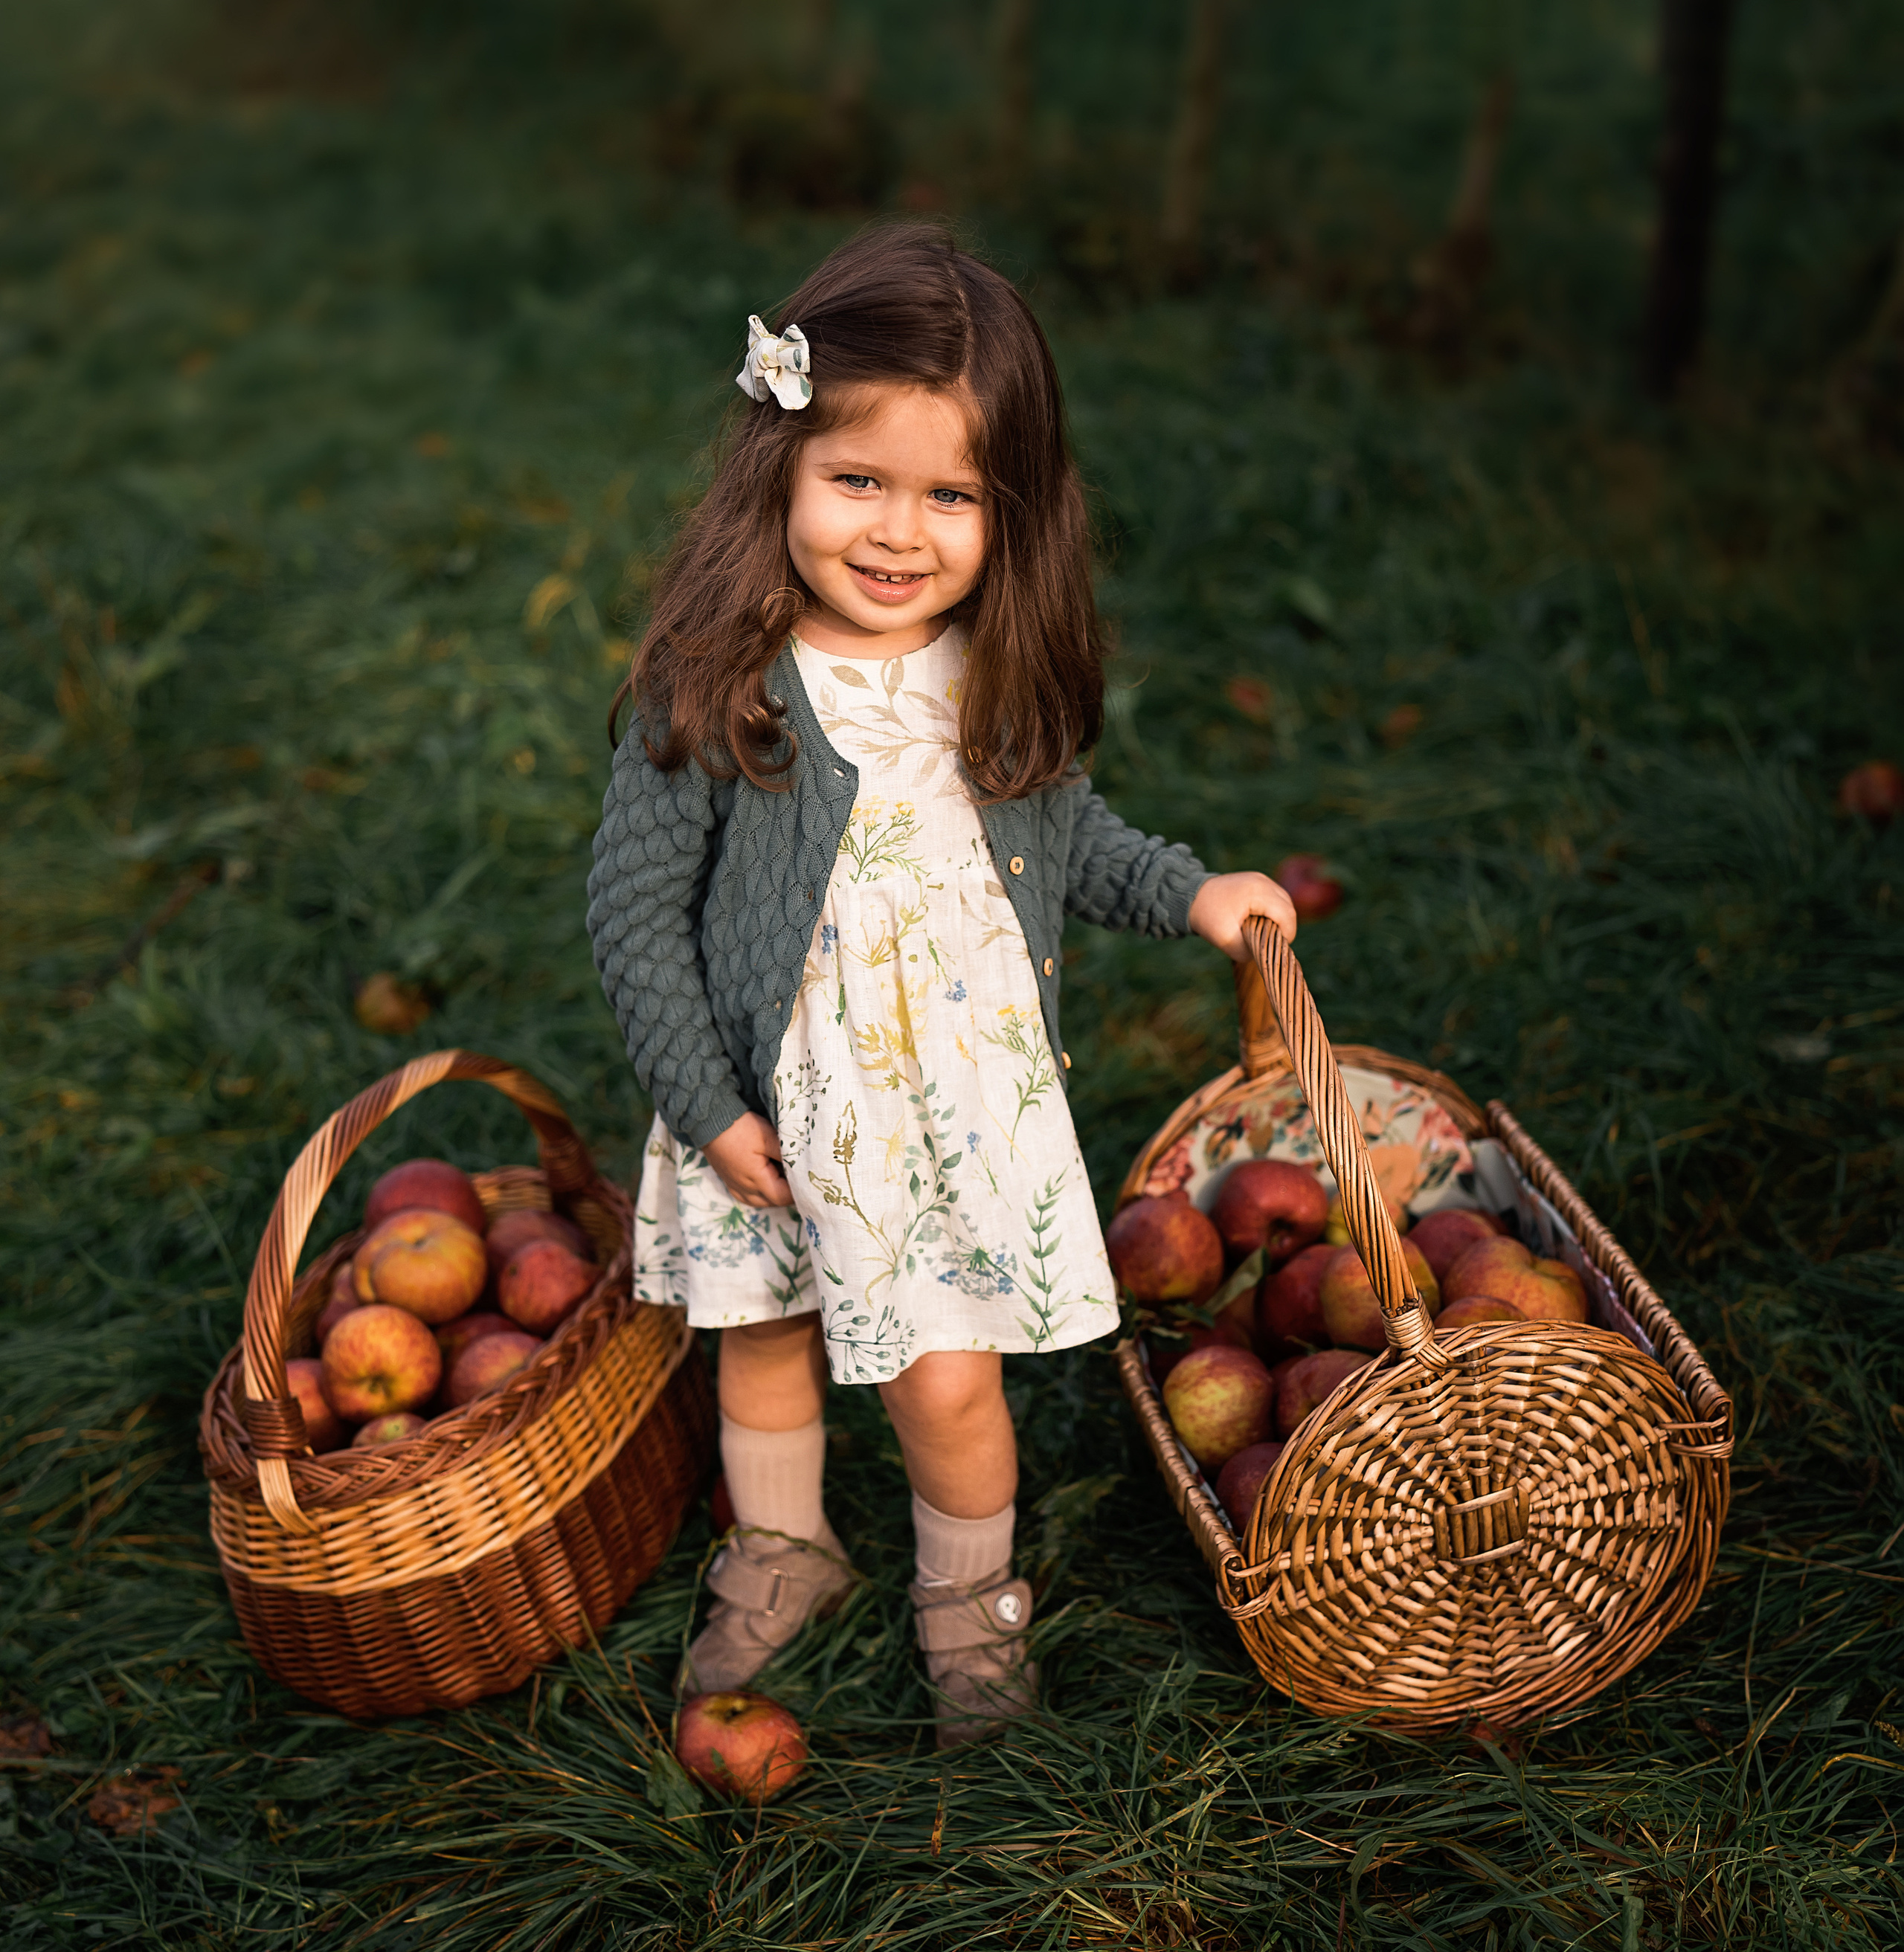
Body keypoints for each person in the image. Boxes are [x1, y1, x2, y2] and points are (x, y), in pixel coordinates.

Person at [586, 223, 1295, 1749]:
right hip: (765, 1102)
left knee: (945, 1379)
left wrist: (1189, 890)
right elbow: (634, 915)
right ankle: (787, 1545)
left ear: (1010, 507)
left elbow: (1075, 837)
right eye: (857, 480)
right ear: (778, 466)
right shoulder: (715, 679)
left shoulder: (992, 671)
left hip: (946, 1115)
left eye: (950, 496)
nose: (898, 532)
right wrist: (706, 1109)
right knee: (764, 1334)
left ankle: (968, 1602)